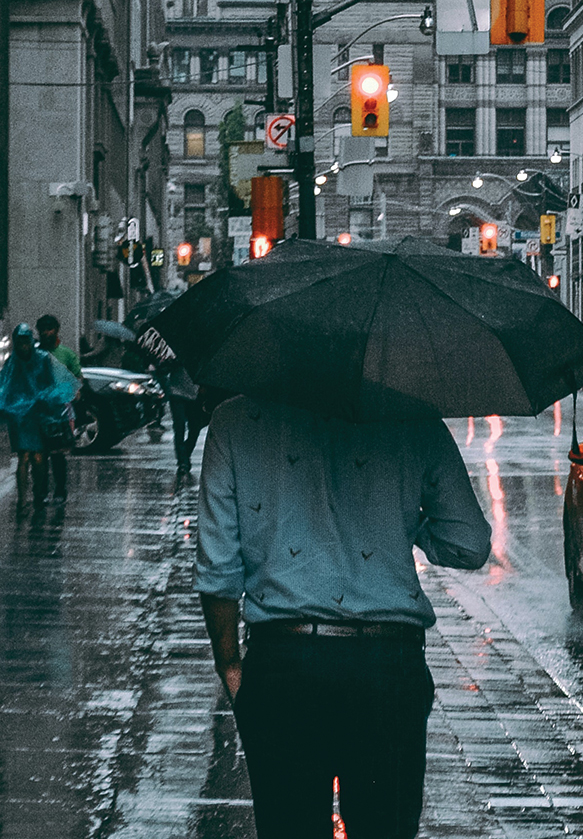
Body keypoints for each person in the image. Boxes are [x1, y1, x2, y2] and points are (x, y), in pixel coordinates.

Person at [196, 398, 491, 838]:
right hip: (387, 667)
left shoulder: (235, 421)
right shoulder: (412, 419)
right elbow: (469, 543)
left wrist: (230, 666)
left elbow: (218, 569)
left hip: (284, 665)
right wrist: (406, 525)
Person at [0, 324, 80, 508]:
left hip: (35, 414)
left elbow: (53, 384)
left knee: (36, 456)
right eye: (19, 342)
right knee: (27, 456)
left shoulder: (39, 359)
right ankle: (26, 498)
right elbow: (3, 385)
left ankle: (37, 492)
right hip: (23, 416)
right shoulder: (14, 362)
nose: (23, 346)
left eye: (25, 342)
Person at [37, 314, 83, 500]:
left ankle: (60, 490)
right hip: (39, 411)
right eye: (43, 330)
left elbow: (78, 379)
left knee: (57, 454)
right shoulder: (35, 354)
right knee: (39, 455)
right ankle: (40, 491)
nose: (46, 333)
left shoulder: (66, 354)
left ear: (56, 330)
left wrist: (72, 393)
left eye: (50, 329)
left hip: (60, 412)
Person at [157, 357, 206, 478]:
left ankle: (185, 453)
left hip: (194, 394)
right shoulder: (174, 353)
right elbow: (161, 369)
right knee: (179, 427)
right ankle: (182, 462)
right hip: (177, 393)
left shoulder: (200, 352)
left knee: (195, 428)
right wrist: (171, 362)